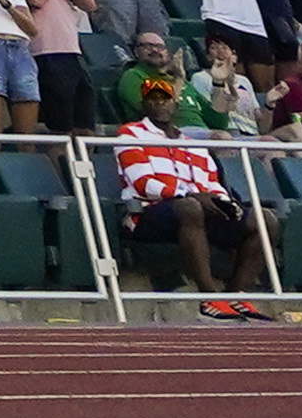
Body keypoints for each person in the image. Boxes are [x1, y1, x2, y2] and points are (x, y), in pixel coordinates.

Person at [112, 110, 274, 319]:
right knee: (189, 206)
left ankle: (235, 295)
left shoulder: (193, 144)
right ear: (143, 103)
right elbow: (143, 184)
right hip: (148, 213)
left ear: (175, 102)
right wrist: (192, 195)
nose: (160, 102)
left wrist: (223, 203)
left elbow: (212, 184)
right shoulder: (130, 134)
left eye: (166, 97)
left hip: (199, 212)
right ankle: (208, 298)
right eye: (153, 97)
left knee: (265, 219)